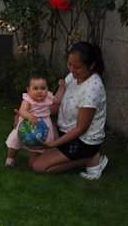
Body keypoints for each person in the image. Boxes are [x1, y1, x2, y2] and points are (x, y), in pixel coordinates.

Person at [30, 42, 108, 180]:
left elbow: (80, 129)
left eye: (77, 67)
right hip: (65, 131)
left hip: (82, 141)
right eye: (69, 64)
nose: (72, 70)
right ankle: (66, 153)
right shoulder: (72, 77)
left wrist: (52, 144)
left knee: (38, 166)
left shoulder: (93, 89)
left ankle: (89, 158)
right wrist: (32, 114)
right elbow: (57, 105)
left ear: (91, 65)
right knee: (32, 158)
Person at [4, 75, 61, 167]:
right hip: (26, 125)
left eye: (43, 88)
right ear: (28, 89)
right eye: (35, 88)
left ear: (47, 89)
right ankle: (10, 158)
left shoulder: (48, 97)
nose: (40, 91)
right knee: (16, 140)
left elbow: (57, 101)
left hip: (43, 125)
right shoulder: (28, 100)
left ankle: (34, 156)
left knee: (39, 143)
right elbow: (22, 111)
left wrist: (62, 88)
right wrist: (30, 116)